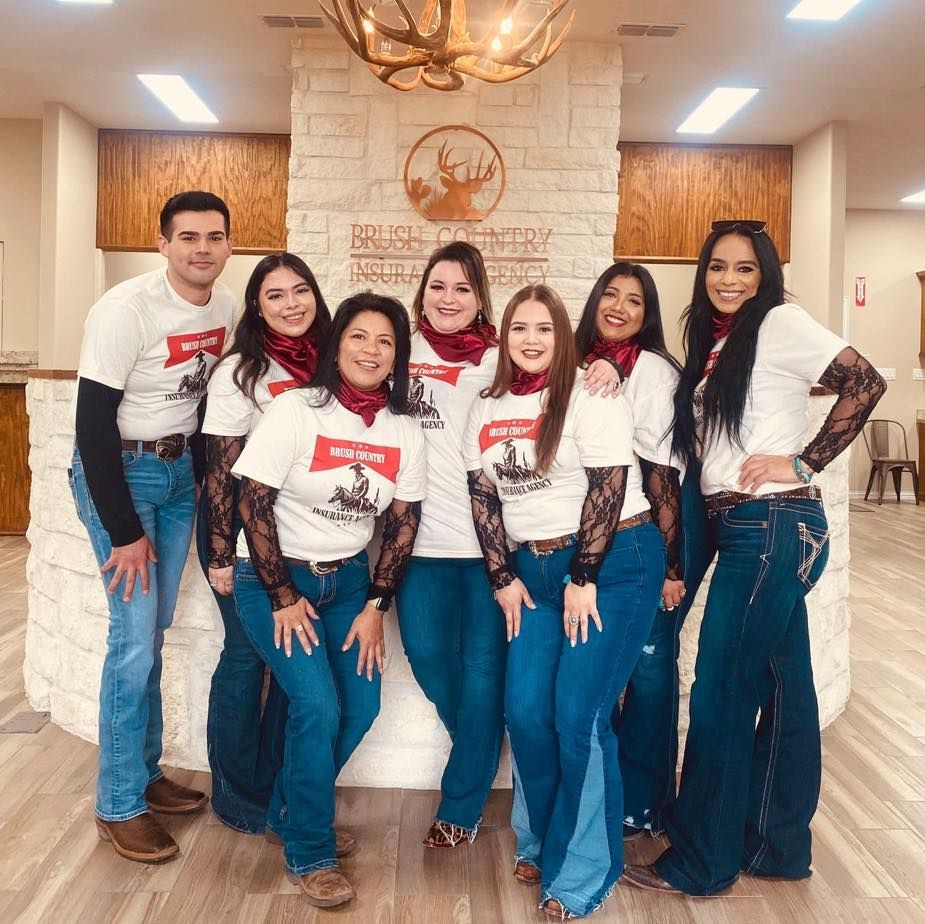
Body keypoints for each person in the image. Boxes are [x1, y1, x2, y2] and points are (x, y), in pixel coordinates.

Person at [623, 220, 886, 897]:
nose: (729, 279)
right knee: (783, 690)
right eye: (717, 266)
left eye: (744, 268)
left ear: (764, 274)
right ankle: (773, 845)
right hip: (752, 529)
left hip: (768, 525)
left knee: (718, 693)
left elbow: (863, 381)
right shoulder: (721, 341)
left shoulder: (778, 321)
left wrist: (803, 460)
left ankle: (700, 861)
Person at [464, 284, 665, 919]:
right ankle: (541, 838)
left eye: (544, 329)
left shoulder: (590, 393)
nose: (531, 340)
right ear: (505, 338)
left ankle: (582, 873)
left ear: (563, 337)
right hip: (535, 573)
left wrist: (585, 574)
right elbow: (484, 496)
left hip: (613, 565)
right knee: (524, 713)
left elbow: (610, 484)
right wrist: (502, 577)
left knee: (579, 718)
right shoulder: (486, 405)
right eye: (519, 328)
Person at [231, 292, 426, 908]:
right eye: (358, 337)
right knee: (315, 704)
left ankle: (290, 810)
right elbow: (252, 502)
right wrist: (283, 594)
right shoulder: (296, 412)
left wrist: (376, 605)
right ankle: (310, 851)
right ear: (336, 344)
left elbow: (401, 523)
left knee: (360, 707)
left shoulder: (404, 430)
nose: (371, 351)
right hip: (272, 578)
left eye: (385, 341)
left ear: (398, 356)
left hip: (345, 586)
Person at [70, 191, 235, 862]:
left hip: (174, 479)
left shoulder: (224, 306)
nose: (202, 248)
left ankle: (143, 773)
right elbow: (90, 428)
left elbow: (198, 400)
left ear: (228, 245)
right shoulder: (124, 311)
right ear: (162, 243)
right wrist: (123, 530)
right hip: (122, 476)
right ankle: (117, 804)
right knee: (133, 638)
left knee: (154, 630)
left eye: (214, 237)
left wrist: (195, 473)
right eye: (188, 237)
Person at [575, 263, 711, 839]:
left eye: (634, 301)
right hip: (601, 530)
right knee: (606, 659)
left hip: (663, 522)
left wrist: (671, 565)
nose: (620, 307)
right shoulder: (572, 360)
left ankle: (645, 801)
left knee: (650, 665)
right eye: (611, 295)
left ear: (647, 314)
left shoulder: (652, 369)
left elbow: (661, 471)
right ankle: (603, 790)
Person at [198, 252, 330, 836]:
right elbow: (222, 472)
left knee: (289, 661)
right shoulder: (240, 372)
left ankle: (276, 787)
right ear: (256, 306)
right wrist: (223, 554)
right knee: (247, 655)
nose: (291, 304)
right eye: (275, 295)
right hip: (241, 537)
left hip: (302, 539)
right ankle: (235, 795)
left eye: (300, 291)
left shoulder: (333, 361)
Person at [395, 241, 506, 849]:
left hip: (491, 551)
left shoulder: (502, 359)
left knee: (484, 671)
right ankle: (482, 745)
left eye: (463, 288)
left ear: (480, 297)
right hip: (417, 547)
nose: (449, 299)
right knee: (430, 661)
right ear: (423, 292)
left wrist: (609, 365)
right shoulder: (396, 351)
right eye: (438, 286)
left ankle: (461, 804)